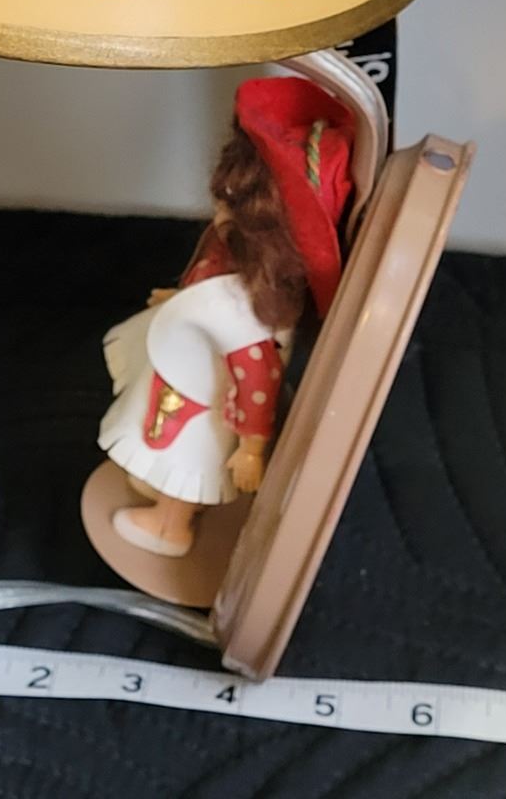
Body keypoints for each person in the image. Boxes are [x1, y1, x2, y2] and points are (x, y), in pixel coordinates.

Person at [97, 77, 353, 557]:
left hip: (202, 399)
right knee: (163, 445)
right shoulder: (232, 253)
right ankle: (164, 493)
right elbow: (207, 290)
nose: (220, 207)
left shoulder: (250, 310)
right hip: (185, 373)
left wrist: (252, 446)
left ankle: (170, 527)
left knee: (186, 458)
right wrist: (179, 300)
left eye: (233, 200)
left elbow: (258, 376)